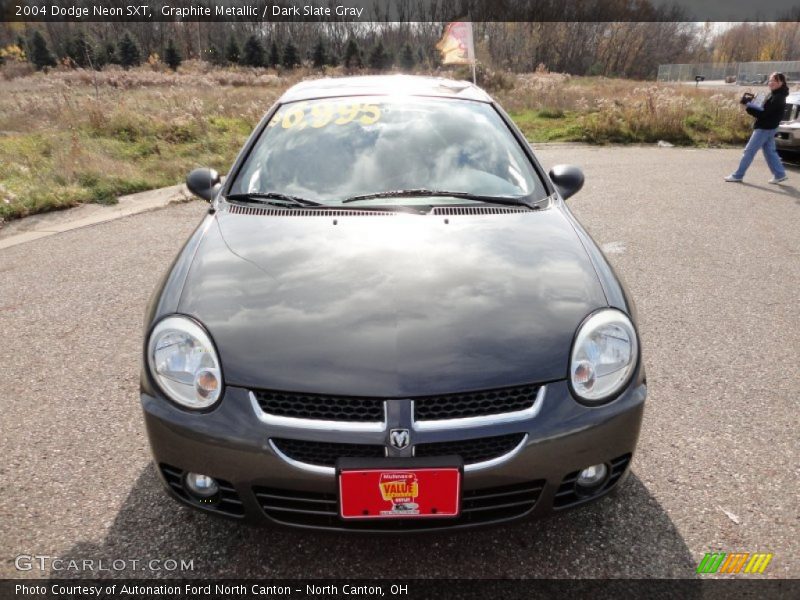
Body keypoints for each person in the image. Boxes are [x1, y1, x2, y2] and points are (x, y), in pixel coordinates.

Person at [725, 72, 790, 184]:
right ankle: (780, 174)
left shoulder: (778, 97)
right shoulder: (775, 94)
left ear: (782, 83)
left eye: (775, 80)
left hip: (765, 128)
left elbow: (763, 113)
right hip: (770, 127)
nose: (771, 82)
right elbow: (763, 109)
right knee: (770, 152)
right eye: (770, 80)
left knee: (749, 151)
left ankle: (738, 175)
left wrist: (749, 106)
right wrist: (751, 103)